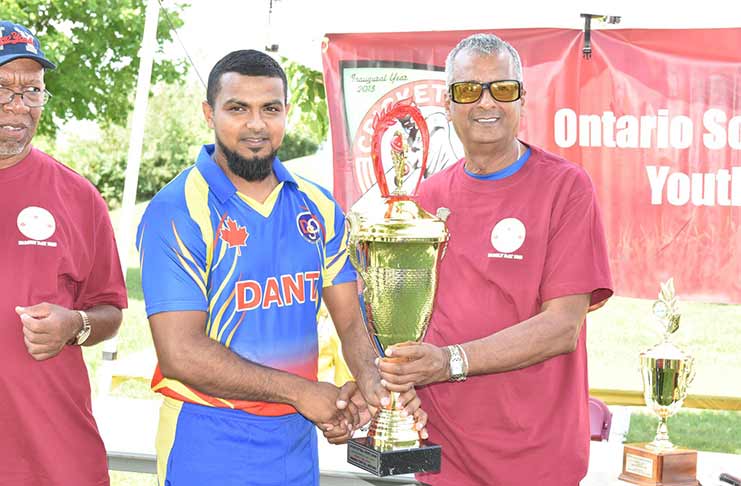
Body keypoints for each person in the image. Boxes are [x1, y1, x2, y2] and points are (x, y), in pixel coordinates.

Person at [136, 49, 425, 486]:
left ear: (286, 113)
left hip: (295, 443)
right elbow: (181, 353)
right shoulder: (178, 210)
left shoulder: (318, 206)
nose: (256, 124)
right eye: (238, 108)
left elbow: (351, 321)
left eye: (270, 109)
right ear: (207, 113)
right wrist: (301, 392)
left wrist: (369, 382)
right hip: (208, 441)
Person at [377, 33, 613, 486]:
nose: (486, 102)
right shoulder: (424, 199)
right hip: (442, 457)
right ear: (448, 105)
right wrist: (398, 379)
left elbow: (562, 327)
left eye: (502, 88)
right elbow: (408, 323)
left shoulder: (565, 188)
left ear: (522, 100)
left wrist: (450, 362)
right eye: (469, 90)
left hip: (535, 461)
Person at [0, 21, 128, 486]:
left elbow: (111, 310)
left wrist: (75, 325)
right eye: (3, 87)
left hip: (56, 461)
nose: (18, 105)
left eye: (31, 91)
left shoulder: (77, 196)